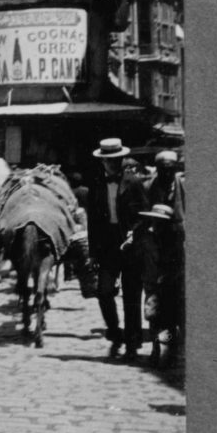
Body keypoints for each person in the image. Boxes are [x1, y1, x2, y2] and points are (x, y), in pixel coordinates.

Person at [87, 139, 149, 359]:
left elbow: (145, 216)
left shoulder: (134, 183)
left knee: (132, 296)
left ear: (121, 160)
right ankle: (114, 334)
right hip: (107, 246)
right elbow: (92, 222)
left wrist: (134, 232)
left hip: (131, 247)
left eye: (115, 160)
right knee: (103, 292)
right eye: (108, 161)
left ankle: (132, 346)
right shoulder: (95, 184)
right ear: (102, 161)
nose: (111, 164)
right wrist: (92, 252)